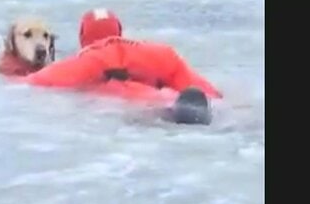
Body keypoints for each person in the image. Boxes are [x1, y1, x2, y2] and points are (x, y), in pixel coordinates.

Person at [24, 8, 222, 124]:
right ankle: (175, 105)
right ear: (119, 31)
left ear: (83, 37)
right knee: (169, 97)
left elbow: (36, 82)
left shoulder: (88, 60)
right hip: (169, 96)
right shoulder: (159, 52)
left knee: (102, 92)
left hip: (135, 106)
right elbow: (208, 91)